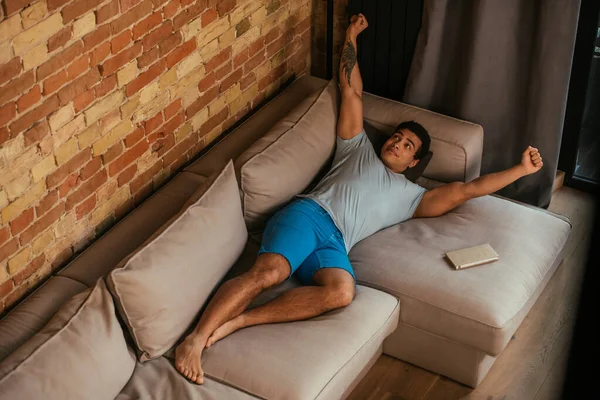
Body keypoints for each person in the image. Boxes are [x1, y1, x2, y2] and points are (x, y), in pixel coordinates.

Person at [174, 13, 544, 384]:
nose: (397, 143)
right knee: (269, 273)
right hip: (308, 215)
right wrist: (351, 37)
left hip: (335, 244)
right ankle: (195, 339)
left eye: (407, 146)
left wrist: (521, 171)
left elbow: (468, 190)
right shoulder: (357, 148)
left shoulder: (413, 198)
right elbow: (351, 90)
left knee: (341, 292)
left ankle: (242, 319)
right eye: (397, 137)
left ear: (414, 162)